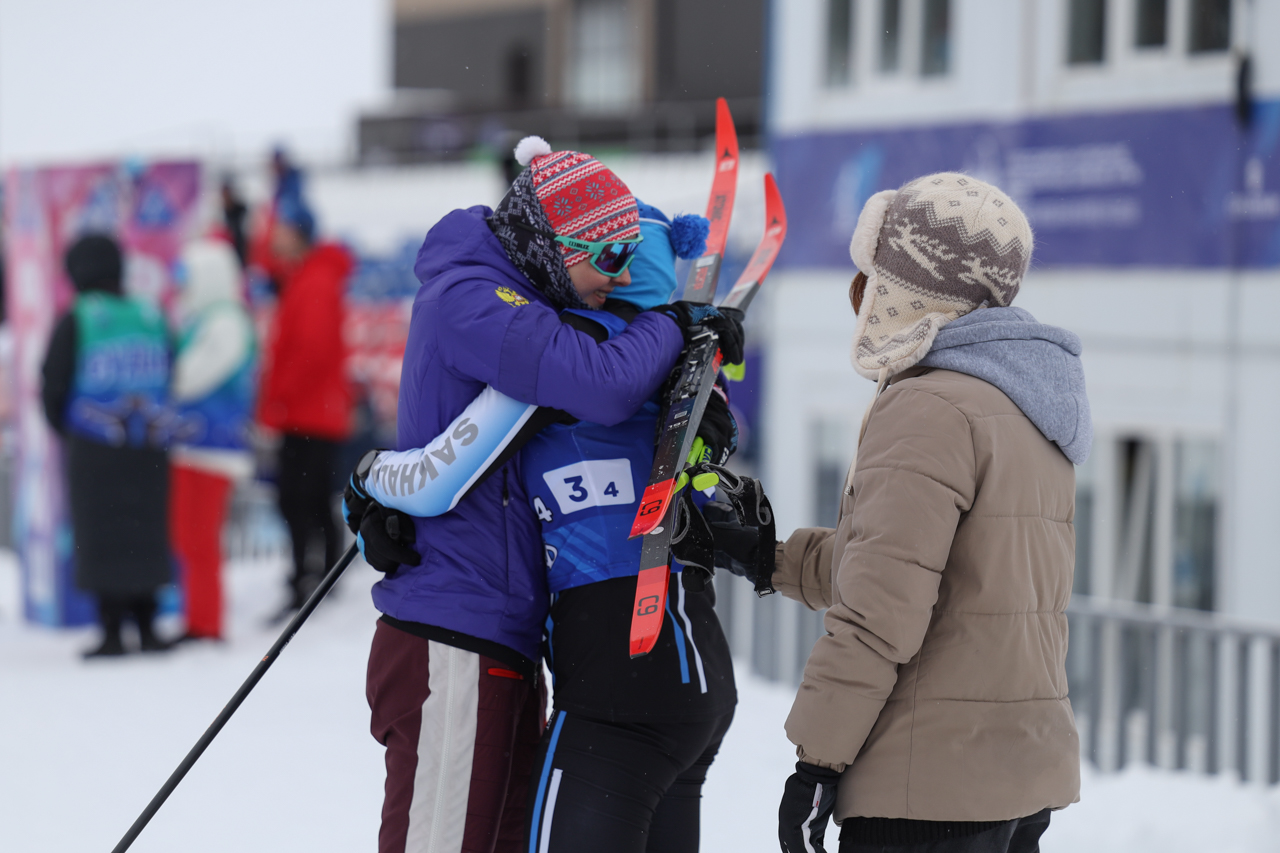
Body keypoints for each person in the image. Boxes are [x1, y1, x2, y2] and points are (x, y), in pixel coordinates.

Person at [349, 138, 744, 853]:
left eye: (630, 257)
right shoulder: (475, 296)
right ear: (551, 243)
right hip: (454, 633)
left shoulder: (523, 291)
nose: (616, 279)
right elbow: (598, 381)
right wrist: (672, 321)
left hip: (499, 634)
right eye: (608, 258)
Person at [709, 174, 1090, 853]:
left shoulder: (928, 408)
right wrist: (764, 554)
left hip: (928, 787)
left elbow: (882, 610)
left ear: (908, 288)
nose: (859, 298)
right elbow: (928, 575)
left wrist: (817, 763)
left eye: (871, 276)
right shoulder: (1028, 404)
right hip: (1015, 778)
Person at [41, 234, 173, 658]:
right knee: (146, 530)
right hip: (149, 445)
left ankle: (113, 629)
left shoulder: (79, 317)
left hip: (96, 448)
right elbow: (174, 370)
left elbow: (52, 382)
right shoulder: (150, 314)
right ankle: (149, 625)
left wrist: (69, 431)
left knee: (103, 534)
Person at [256, 189, 353, 618]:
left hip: (307, 413)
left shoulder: (313, 280)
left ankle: (308, 578)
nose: (274, 236)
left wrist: (278, 399)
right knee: (309, 499)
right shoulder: (309, 275)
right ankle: (322, 572)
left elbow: (310, 351)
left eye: (282, 227)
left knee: (298, 499)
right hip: (315, 411)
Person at [169, 238, 257, 641]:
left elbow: (188, 378)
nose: (181, 285)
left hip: (213, 446)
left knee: (200, 539)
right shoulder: (204, 319)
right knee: (189, 537)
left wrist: (164, 380)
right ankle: (197, 617)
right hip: (194, 443)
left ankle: (207, 623)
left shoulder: (225, 321)